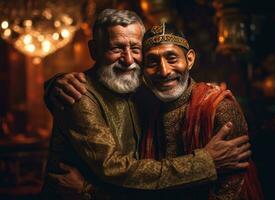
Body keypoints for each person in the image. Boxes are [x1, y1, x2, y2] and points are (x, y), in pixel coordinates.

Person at [42, 9, 252, 199]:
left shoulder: (150, 90)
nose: (128, 59)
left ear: (190, 59)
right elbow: (114, 168)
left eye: (135, 48)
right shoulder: (77, 95)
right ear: (94, 50)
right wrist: (205, 164)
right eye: (116, 48)